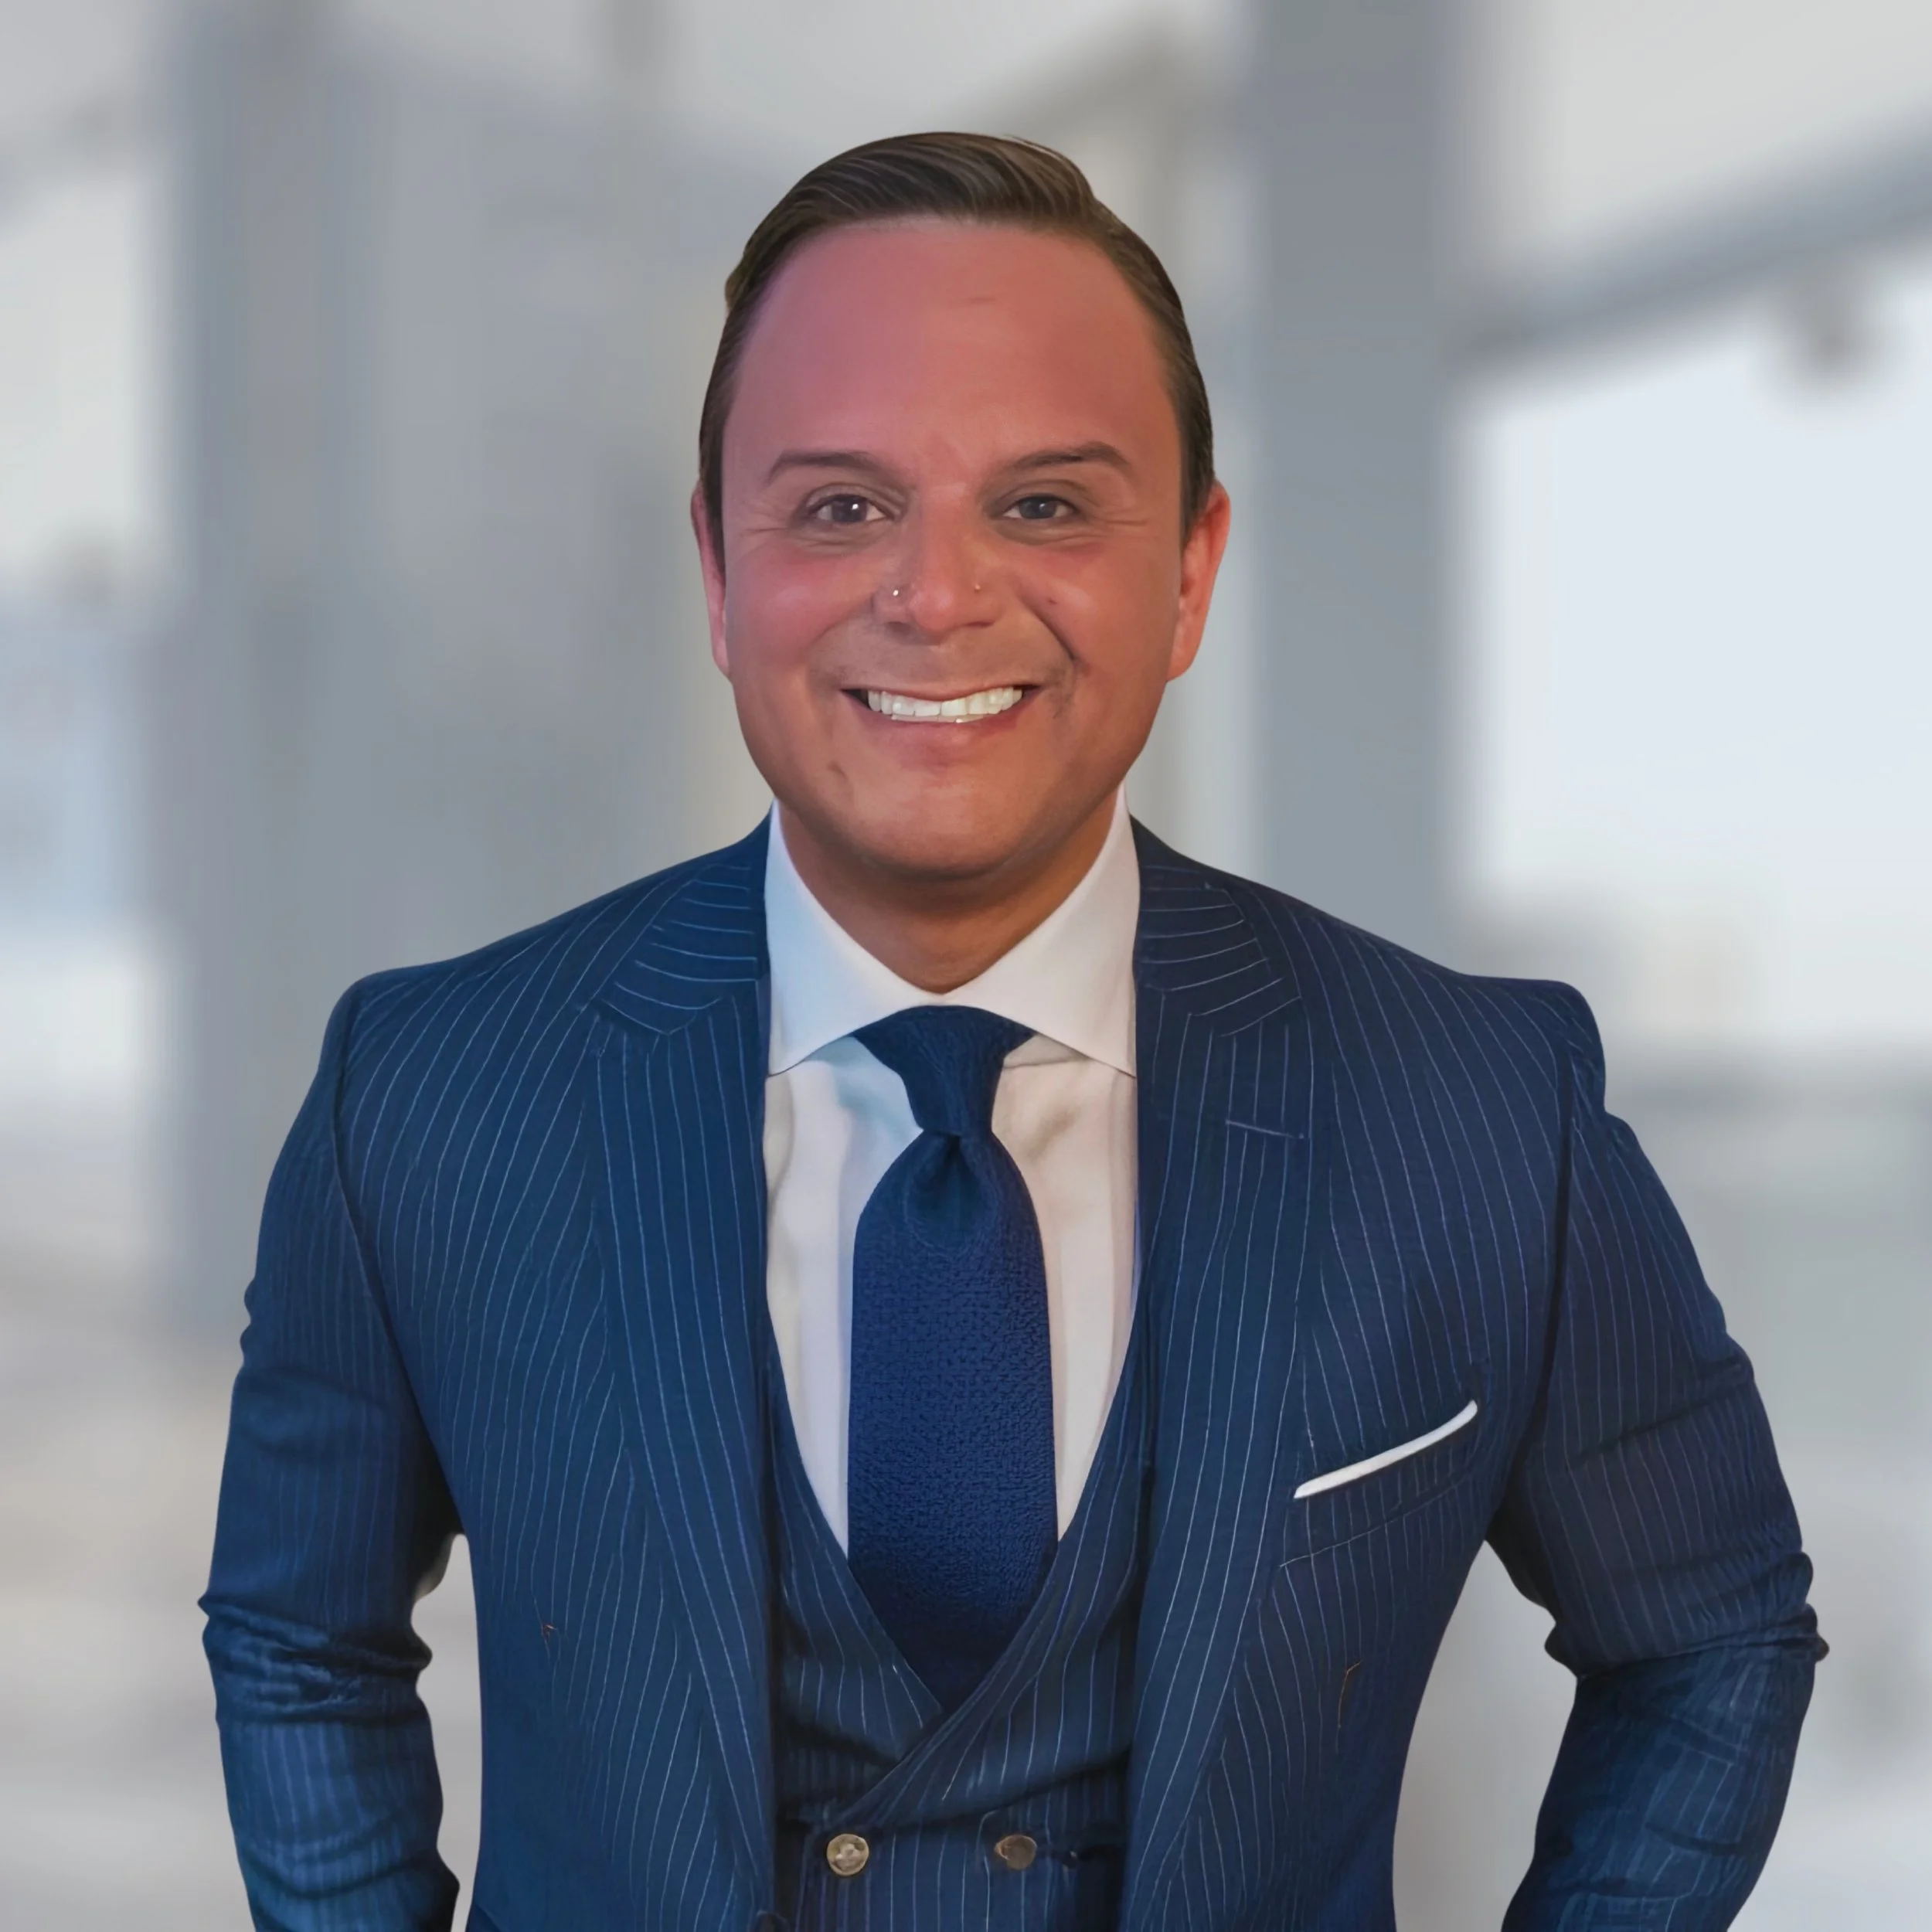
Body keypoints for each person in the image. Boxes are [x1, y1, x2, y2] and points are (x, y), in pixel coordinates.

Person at [202, 133, 1821, 1932]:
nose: (937, 595)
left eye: (1044, 504)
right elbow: (300, 1637)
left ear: (1192, 568)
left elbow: (1711, 1635)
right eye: (837, 507)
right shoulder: (424, 1094)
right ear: (716, 575)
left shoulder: (1478, 1109)